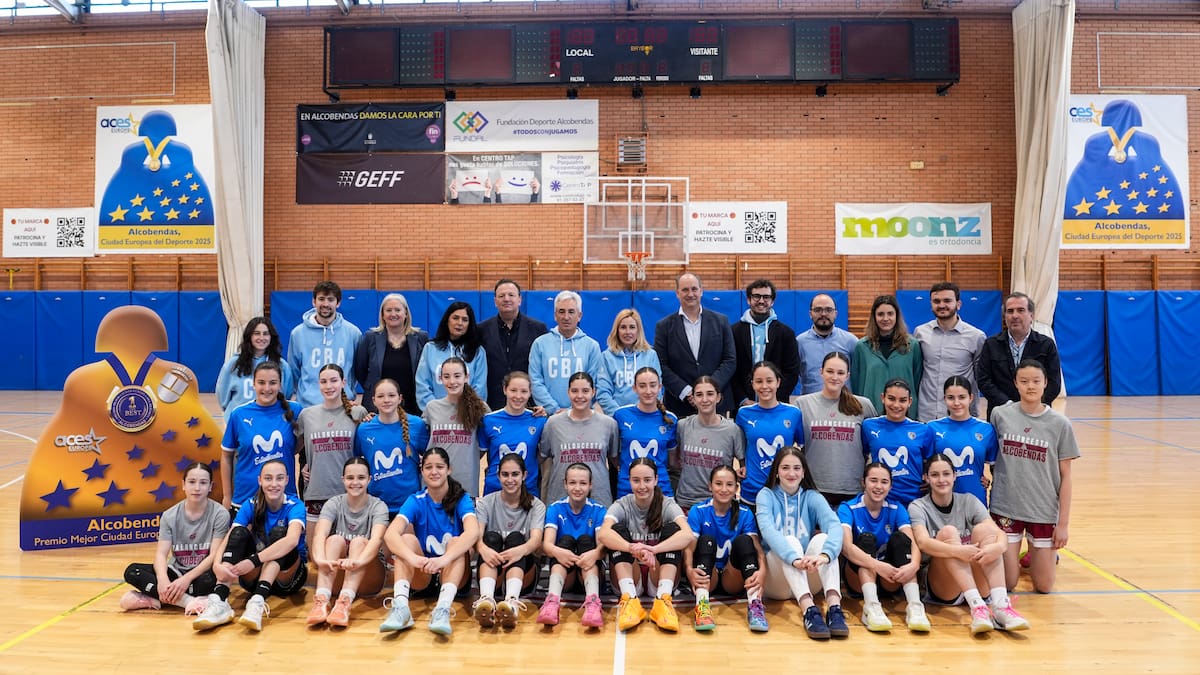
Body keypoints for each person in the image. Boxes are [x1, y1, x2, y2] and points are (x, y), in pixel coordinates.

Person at [908, 453, 1029, 634]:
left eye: (946, 474)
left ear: (954, 476)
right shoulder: (918, 506)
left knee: (985, 531)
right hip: (944, 585)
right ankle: (976, 607)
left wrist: (999, 547)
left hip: (974, 577)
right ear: (926, 478)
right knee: (949, 532)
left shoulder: (969, 501)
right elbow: (923, 543)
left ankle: (1001, 606)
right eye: (934, 475)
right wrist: (957, 551)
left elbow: (998, 533)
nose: (941, 480)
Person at [988, 358, 1080, 594]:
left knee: (1044, 586)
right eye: (1024, 381)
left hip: (1042, 510)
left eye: (1036, 381)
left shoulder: (1060, 424)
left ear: (1046, 384)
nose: (1030, 386)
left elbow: (1066, 476)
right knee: (1008, 583)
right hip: (1006, 507)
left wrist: (1063, 524)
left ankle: (1037, 554)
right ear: (1015, 384)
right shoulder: (1000, 415)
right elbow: (988, 454)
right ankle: (1019, 553)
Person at [191, 460, 307, 632]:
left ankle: (257, 603)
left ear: (287, 480)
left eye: (279, 478)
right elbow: (230, 537)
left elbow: (291, 541)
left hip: (287, 578)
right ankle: (219, 600)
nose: (274, 484)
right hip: (254, 576)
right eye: (268, 478)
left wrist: (253, 560)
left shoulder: (295, 505)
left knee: (280, 535)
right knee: (239, 533)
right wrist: (217, 564)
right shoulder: (251, 504)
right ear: (260, 480)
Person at [378, 447, 480, 635]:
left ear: (449, 470)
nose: (434, 472)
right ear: (422, 471)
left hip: (453, 574)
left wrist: (444, 559)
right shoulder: (416, 500)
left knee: (456, 541)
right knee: (406, 540)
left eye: (439, 467)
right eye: (428, 467)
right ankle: (401, 607)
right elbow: (390, 534)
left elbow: (473, 532)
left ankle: (443, 609)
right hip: (424, 573)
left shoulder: (462, 499)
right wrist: (414, 558)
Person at [755, 446, 849, 640]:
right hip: (776, 581)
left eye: (797, 468)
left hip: (806, 575)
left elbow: (834, 526)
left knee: (823, 539)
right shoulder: (766, 495)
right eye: (785, 468)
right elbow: (769, 532)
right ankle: (809, 611)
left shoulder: (812, 497)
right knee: (790, 540)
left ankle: (834, 608)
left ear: (804, 471)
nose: (791, 473)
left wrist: (823, 556)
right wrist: (794, 559)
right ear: (777, 471)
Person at [119, 462, 230, 615]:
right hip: (176, 572)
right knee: (132, 571)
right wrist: (163, 579)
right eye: (192, 482)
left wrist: (186, 580)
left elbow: (214, 556)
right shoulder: (170, 515)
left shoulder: (220, 514)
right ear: (183, 485)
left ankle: (155, 598)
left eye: (203, 483)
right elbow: (161, 554)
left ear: (211, 486)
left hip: (201, 574)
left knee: (213, 580)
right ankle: (188, 602)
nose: (197, 488)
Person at [598, 458, 694, 633]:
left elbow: (687, 534)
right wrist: (631, 548)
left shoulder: (667, 504)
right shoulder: (622, 504)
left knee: (674, 529)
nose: (642, 486)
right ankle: (630, 599)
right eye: (636, 480)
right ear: (629, 481)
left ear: (656, 480)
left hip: (656, 572)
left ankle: (663, 600)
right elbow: (603, 533)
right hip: (630, 572)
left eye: (647, 480)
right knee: (616, 529)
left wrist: (654, 549)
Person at [837, 463, 929, 633]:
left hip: (890, 579)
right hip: (858, 579)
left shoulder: (896, 507)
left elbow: (912, 541)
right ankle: (871, 607)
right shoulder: (848, 507)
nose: (878, 486)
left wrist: (914, 564)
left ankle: (915, 606)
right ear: (863, 482)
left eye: (884, 482)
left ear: (890, 486)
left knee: (901, 539)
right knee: (866, 540)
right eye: (873, 480)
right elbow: (846, 547)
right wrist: (877, 566)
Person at [305, 457, 388, 628]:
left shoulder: (378, 506)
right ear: (343, 480)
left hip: (369, 576)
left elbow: (376, 540)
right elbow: (319, 535)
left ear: (369, 479)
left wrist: (358, 562)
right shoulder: (334, 503)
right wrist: (319, 560)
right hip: (339, 576)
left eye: (361, 478)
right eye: (350, 478)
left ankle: (345, 602)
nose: (355, 482)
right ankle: (322, 600)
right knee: (334, 539)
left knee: (359, 542)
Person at [684, 465, 768, 632]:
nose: (724, 489)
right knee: (706, 540)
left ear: (736, 488)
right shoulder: (698, 511)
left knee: (745, 541)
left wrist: (763, 570)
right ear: (710, 486)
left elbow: (757, 549)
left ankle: (755, 607)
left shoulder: (745, 513)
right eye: (718, 484)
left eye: (729, 484)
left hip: (733, 577)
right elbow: (688, 548)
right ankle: (702, 606)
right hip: (709, 576)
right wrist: (688, 570)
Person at [471, 454, 546, 629]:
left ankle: (512, 601)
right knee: (491, 538)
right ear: (498, 476)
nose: (510, 479)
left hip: (523, 573)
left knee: (516, 539)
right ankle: (486, 599)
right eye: (505, 475)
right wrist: (483, 548)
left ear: (524, 475)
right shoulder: (486, 503)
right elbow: (476, 537)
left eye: (515, 474)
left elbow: (535, 541)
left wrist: (519, 551)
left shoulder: (537, 505)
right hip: (493, 569)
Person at [220, 361, 303, 515]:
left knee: (284, 538)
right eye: (261, 383)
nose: (267, 388)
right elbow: (226, 456)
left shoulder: (295, 410)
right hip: (245, 498)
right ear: (253, 384)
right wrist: (227, 495)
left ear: (280, 385)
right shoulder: (239, 414)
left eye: (273, 383)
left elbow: (300, 445)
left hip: (284, 498)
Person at [797, 352, 878, 508]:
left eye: (840, 373)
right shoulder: (803, 404)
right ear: (821, 372)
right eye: (830, 371)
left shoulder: (863, 405)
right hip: (815, 487)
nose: (835, 377)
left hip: (852, 488)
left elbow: (873, 444)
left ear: (847, 376)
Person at [654, 272, 737, 417]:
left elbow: (730, 360)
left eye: (694, 289)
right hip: (679, 405)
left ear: (701, 291)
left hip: (716, 403)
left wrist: (709, 389)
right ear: (677, 293)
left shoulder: (721, 321)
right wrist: (686, 391)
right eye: (685, 290)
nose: (690, 294)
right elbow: (661, 364)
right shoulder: (664, 326)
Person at [298, 364, 367, 537]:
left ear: (343, 382)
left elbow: (367, 448)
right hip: (316, 492)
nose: (329, 386)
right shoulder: (307, 415)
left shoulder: (357, 412)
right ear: (318, 384)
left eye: (334, 380)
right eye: (324, 382)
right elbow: (295, 447)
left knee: (348, 555)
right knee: (315, 557)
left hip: (349, 493)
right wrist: (307, 464)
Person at [537, 463, 608, 628]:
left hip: (589, 569)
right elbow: (546, 545)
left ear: (591, 485)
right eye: (573, 483)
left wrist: (595, 554)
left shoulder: (598, 510)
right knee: (565, 541)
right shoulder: (555, 508)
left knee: (585, 541)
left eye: (583, 483)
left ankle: (593, 603)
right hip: (566, 571)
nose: (577, 488)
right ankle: (552, 601)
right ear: (565, 484)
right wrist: (559, 552)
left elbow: (602, 547)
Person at [538, 371, 619, 506]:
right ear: (568, 392)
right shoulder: (553, 424)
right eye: (575, 391)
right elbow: (540, 457)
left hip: (599, 500)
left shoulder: (608, 424)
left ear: (593, 392)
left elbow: (616, 461)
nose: (580, 396)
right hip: (561, 500)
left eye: (585, 391)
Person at [976, 292, 1062, 417]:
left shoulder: (1046, 345)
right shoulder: (991, 344)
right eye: (1010, 311)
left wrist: (1033, 404)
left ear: (1031, 315)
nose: (1014, 315)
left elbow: (1054, 382)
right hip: (1002, 414)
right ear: (1004, 316)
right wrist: (1008, 405)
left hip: (1037, 414)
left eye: (1021, 310)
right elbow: (983, 380)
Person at [913, 282, 987, 422]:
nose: (941, 305)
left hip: (960, 415)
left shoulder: (976, 336)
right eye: (936, 301)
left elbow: (980, 377)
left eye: (947, 300)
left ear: (958, 304)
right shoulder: (920, 333)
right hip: (926, 414)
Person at [355, 378, 429, 516]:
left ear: (400, 398)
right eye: (381, 396)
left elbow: (429, 456)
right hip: (376, 505)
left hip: (410, 504)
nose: (386, 400)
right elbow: (357, 460)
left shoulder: (416, 425)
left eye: (391, 395)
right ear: (373, 400)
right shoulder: (364, 429)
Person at [736, 361, 803, 508]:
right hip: (752, 491)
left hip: (783, 491)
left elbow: (802, 448)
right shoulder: (743, 414)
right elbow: (739, 447)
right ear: (753, 384)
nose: (764, 386)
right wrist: (742, 466)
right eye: (759, 381)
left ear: (778, 382)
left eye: (769, 381)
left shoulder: (793, 413)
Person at [423, 356, 490, 498]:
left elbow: (490, 439)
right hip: (435, 484)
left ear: (466, 377)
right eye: (446, 376)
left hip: (466, 484)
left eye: (457, 376)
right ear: (440, 379)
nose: (452, 381)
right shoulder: (431, 408)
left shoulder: (481, 408)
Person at [675, 376, 745, 512]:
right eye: (699, 395)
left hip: (718, 502)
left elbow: (744, 467)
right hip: (686, 502)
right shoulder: (683, 426)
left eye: (710, 394)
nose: (705, 399)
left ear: (718, 397)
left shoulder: (732, 430)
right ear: (693, 399)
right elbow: (674, 462)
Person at [287, 280, 362, 407]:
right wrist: (307, 393)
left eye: (331, 299)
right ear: (314, 301)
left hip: (343, 406)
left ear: (338, 303)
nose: (325, 304)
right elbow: (294, 371)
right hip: (308, 406)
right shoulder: (298, 333)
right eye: (321, 299)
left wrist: (347, 391)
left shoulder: (353, 333)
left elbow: (356, 371)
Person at [861, 378, 934, 508]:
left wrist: (929, 479)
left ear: (910, 402)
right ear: (883, 398)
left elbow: (930, 463)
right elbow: (862, 455)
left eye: (902, 400)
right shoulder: (868, 426)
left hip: (914, 501)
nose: (896, 405)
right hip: (881, 500)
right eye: (891, 398)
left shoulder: (923, 429)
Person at [528, 290, 603, 413]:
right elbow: (535, 381)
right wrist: (554, 409)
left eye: (571, 312)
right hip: (548, 416)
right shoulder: (539, 344)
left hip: (582, 414)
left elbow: (594, 383)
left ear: (579, 315)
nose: (566, 317)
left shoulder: (592, 346)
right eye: (561, 312)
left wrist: (572, 410)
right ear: (555, 315)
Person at [478, 279, 549, 410]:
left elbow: (543, 369)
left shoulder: (538, 329)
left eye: (511, 295)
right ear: (495, 301)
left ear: (520, 299)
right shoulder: (481, 330)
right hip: (492, 403)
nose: (506, 299)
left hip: (528, 403)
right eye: (501, 296)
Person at [354, 293, 429, 416]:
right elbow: (359, 369)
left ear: (405, 313)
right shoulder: (370, 337)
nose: (393, 314)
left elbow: (427, 371)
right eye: (388, 310)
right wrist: (371, 387)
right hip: (379, 406)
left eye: (397, 310)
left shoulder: (421, 338)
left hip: (413, 405)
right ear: (383, 315)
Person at [927, 376, 998, 505]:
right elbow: (925, 465)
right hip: (941, 501)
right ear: (944, 399)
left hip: (975, 499)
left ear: (971, 398)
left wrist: (986, 480)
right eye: (950, 398)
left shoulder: (986, 429)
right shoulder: (932, 428)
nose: (956, 403)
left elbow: (995, 468)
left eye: (961, 397)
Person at [851, 295, 922, 420]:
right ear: (874, 317)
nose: (885, 318)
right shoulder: (862, 347)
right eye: (880, 314)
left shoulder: (912, 346)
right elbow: (857, 385)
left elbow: (917, 381)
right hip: (871, 417)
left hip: (904, 415)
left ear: (897, 316)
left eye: (890, 314)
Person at [732, 279, 801, 407]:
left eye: (766, 297)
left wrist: (772, 400)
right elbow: (731, 369)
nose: (761, 301)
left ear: (772, 301)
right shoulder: (734, 331)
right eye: (756, 296)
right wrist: (742, 399)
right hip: (745, 406)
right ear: (748, 299)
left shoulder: (786, 333)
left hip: (777, 404)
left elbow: (792, 372)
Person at [480, 371, 547, 497]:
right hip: (495, 490)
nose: (518, 396)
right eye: (513, 390)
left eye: (523, 391)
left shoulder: (539, 421)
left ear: (530, 392)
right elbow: (478, 454)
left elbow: (543, 454)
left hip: (527, 491)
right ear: (505, 390)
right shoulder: (489, 420)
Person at [613, 367, 677, 498]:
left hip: (661, 491)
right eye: (642, 386)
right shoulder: (621, 415)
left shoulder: (671, 419)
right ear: (634, 388)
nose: (648, 391)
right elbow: (613, 455)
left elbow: (672, 461)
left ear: (660, 387)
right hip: (627, 490)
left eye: (653, 385)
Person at [214, 317, 294, 421]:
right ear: (249, 336)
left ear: (271, 337)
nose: (261, 337)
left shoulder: (282, 366)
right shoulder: (233, 364)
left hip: (270, 420)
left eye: (265, 334)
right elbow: (222, 397)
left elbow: (287, 394)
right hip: (240, 421)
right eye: (257, 333)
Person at [415, 301, 488, 410]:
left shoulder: (478, 352)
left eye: (465, 320)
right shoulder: (430, 348)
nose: (460, 323)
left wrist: (464, 412)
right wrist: (437, 410)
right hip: (436, 416)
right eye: (455, 318)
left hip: (467, 415)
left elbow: (480, 388)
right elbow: (422, 385)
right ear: (447, 320)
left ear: (470, 324)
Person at [596, 308, 662, 415]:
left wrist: (644, 412)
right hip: (616, 417)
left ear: (638, 330)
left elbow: (657, 390)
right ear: (616, 330)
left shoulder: (651, 355)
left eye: (632, 327)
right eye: (623, 327)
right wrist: (620, 415)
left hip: (645, 415)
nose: (628, 332)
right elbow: (603, 392)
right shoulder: (606, 357)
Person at [792, 294, 859, 398]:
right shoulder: (799, 342)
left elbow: (858, 373)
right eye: (818, 310)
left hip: (844, 404)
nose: (823, 314)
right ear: (810, 314)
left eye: (828, 310)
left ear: (835, 313)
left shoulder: (850, 341)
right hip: (811, 405)